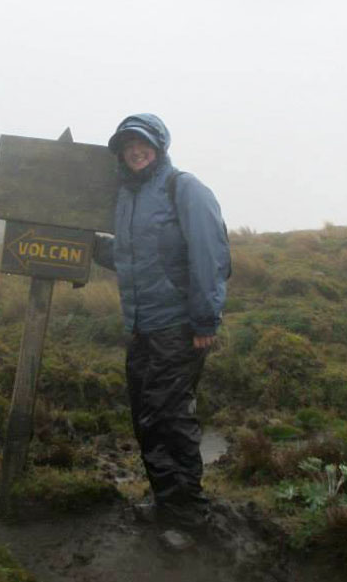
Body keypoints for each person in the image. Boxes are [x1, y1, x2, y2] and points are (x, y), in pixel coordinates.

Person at [93, 113, 231, 535]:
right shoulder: (128, 196)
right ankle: (168, 505)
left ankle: (189, 518)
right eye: (127, 144)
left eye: (143, 143)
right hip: (141, 328)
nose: (135, 150)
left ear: (160, 145)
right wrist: (90, 248)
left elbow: (212, 255)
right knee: (146, 419)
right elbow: (132, 258)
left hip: (178, 328)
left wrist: (205, 320)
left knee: (170, 420)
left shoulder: (183, 188)